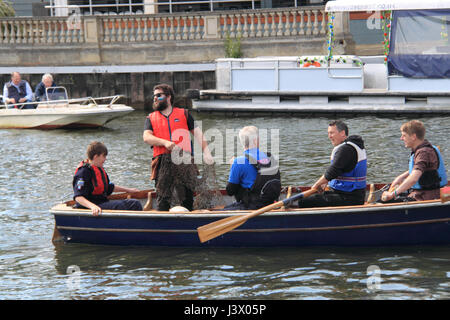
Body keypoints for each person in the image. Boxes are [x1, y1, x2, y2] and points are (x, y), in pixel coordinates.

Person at [143, 83, 213, 211]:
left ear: (168, 97)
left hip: (184, 160)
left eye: (159, 95)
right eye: (154, 96)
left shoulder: (184, 114)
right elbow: (147, 137)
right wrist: (165, 142)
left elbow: (198, 134)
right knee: (163, 198)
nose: (155, 98)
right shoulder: (150, 118)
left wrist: (207, 153)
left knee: (187, 197)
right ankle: (163, 225)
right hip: (162, 161)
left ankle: (188, 223)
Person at [297, 120, 367, 208]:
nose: (329, 136)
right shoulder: (351, 146)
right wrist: (324, 182)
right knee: (314, 198)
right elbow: (337, 171)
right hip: (346, 193)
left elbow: (333, 171)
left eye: (332, 133)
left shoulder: (346, 149)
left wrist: (317, 185)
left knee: (304, 202)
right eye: (328, 133)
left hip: (350, 197)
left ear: (342, 133)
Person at [381, 120, 447, 202]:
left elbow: (413, 179)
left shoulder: (423, 153)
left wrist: (392, 194)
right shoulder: (423, 149)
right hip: (422, 193)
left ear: (413, 137)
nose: (401, 138)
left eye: (404, 135)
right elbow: (421, 168)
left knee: (384, 201)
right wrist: (400, 177)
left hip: (426, 196)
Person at [73, 141, 143, 216]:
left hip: (101, 203)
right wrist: (93, 207)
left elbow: (109, 187)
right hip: (90, 208)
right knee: (134, 204)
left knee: (133, 202)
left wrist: (128, 190)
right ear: (96, 156)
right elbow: (78, 197)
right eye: (104, 156)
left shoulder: (99, 169)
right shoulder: (83, 172)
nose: (105, 159)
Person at [224, 126, 281, 210]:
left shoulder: (239, 161)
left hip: (251, 206)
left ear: (242, 142)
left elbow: (230, 191)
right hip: (270, 203)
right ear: (256, 141)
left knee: (223, 209)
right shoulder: (270, 158)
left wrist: (233, 166)